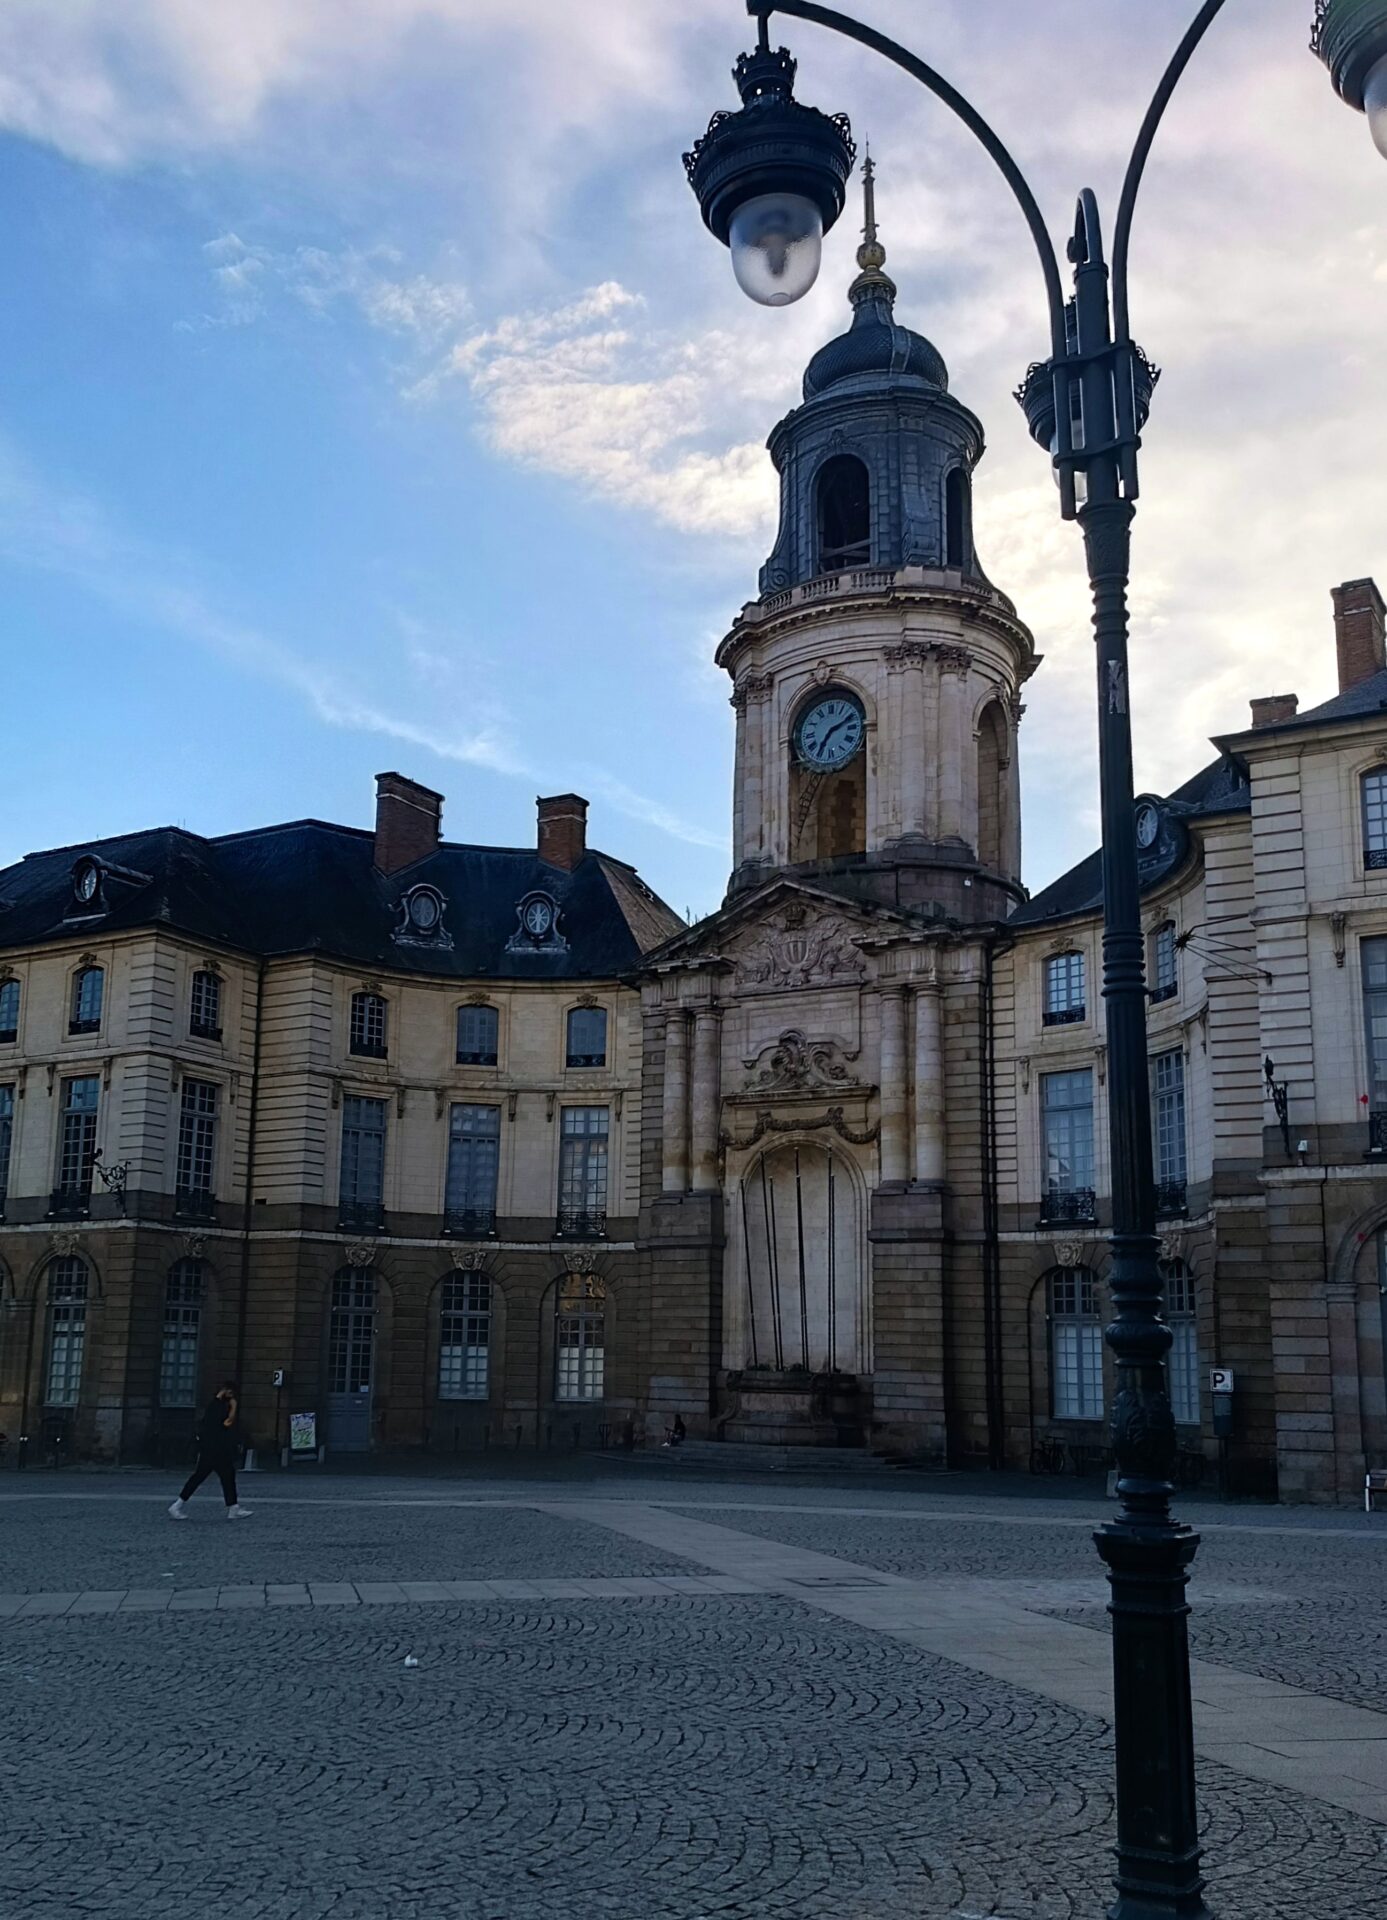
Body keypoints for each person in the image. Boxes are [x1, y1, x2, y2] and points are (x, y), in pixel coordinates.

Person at [168, 1380, 251, 1520]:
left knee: (219, 1476)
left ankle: (233, 1507)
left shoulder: (213, 1405)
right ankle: (177, 1506)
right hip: (216, 1450)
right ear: (224, 1390)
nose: (231, 1396)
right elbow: (228, 1422)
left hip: (211, 1449)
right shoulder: (219, 1407)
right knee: (220, 1477)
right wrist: (234, 1407)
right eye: (230, 1393)